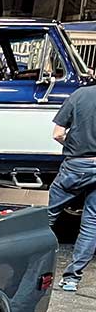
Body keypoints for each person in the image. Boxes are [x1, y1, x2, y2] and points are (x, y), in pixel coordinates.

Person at [50, 85, 96, 292]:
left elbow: (58, 133)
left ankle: (31, 270)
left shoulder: (80, 95)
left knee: (47, 217)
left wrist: (72, 143)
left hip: (77, 165)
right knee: (92, 223)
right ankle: (71, 279)